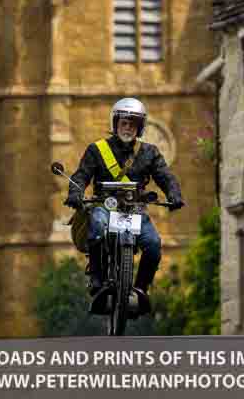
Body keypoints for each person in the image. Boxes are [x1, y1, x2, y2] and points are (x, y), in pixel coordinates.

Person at [64, 97, 185, 295]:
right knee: (96, 229)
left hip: (135, 210)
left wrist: (174, 194)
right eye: (124, 123)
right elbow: (81, 175)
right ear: (116, 124)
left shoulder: (149, 152)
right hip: (104, 206)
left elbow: (165, 176)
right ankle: (96, 276)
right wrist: (75, 193)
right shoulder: (97, 150)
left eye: (133, 125)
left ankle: (141, 288)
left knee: (153, 245)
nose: (128, 128)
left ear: (140, 128)